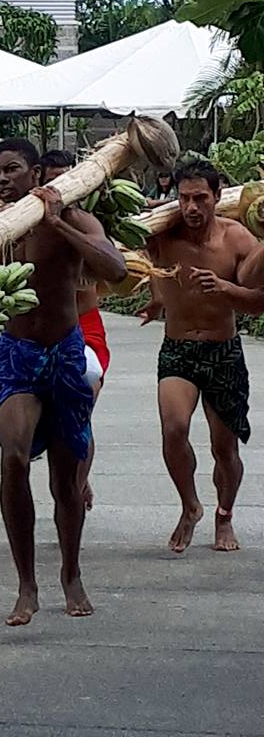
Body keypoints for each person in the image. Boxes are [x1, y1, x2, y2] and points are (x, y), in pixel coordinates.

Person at [0, 139, 126, 625]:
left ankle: (71, 573)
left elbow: (116, 268)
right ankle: (26, 584)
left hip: (65, 352)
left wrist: (59, 224)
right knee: (13, 457)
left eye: (13, 169)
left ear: (35, 173)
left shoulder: (71, 218)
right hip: (16, 357)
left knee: (66, 481)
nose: (3, 179)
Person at [138, 159, 264, 554]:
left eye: (200, 198)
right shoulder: (163, 233)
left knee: (224, 449)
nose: (191, 207)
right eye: (184, 198)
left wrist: (225, 289)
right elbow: (121, 249)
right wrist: (157, 297)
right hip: (177, 349)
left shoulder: (238, 238)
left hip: (222, 350)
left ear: (216, 196)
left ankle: (224, 514)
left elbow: (258, 303)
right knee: (174, 430)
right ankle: (190, 505)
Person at [40, 150, 112, 510]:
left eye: (72, 178)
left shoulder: (90, 223)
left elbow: (116, 266)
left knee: (83, 406)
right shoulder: (29, 221)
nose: (65, 187)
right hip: (46, 331)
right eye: (56, 179)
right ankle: (68, 481)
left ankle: (76, 485)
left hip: (86, 329)